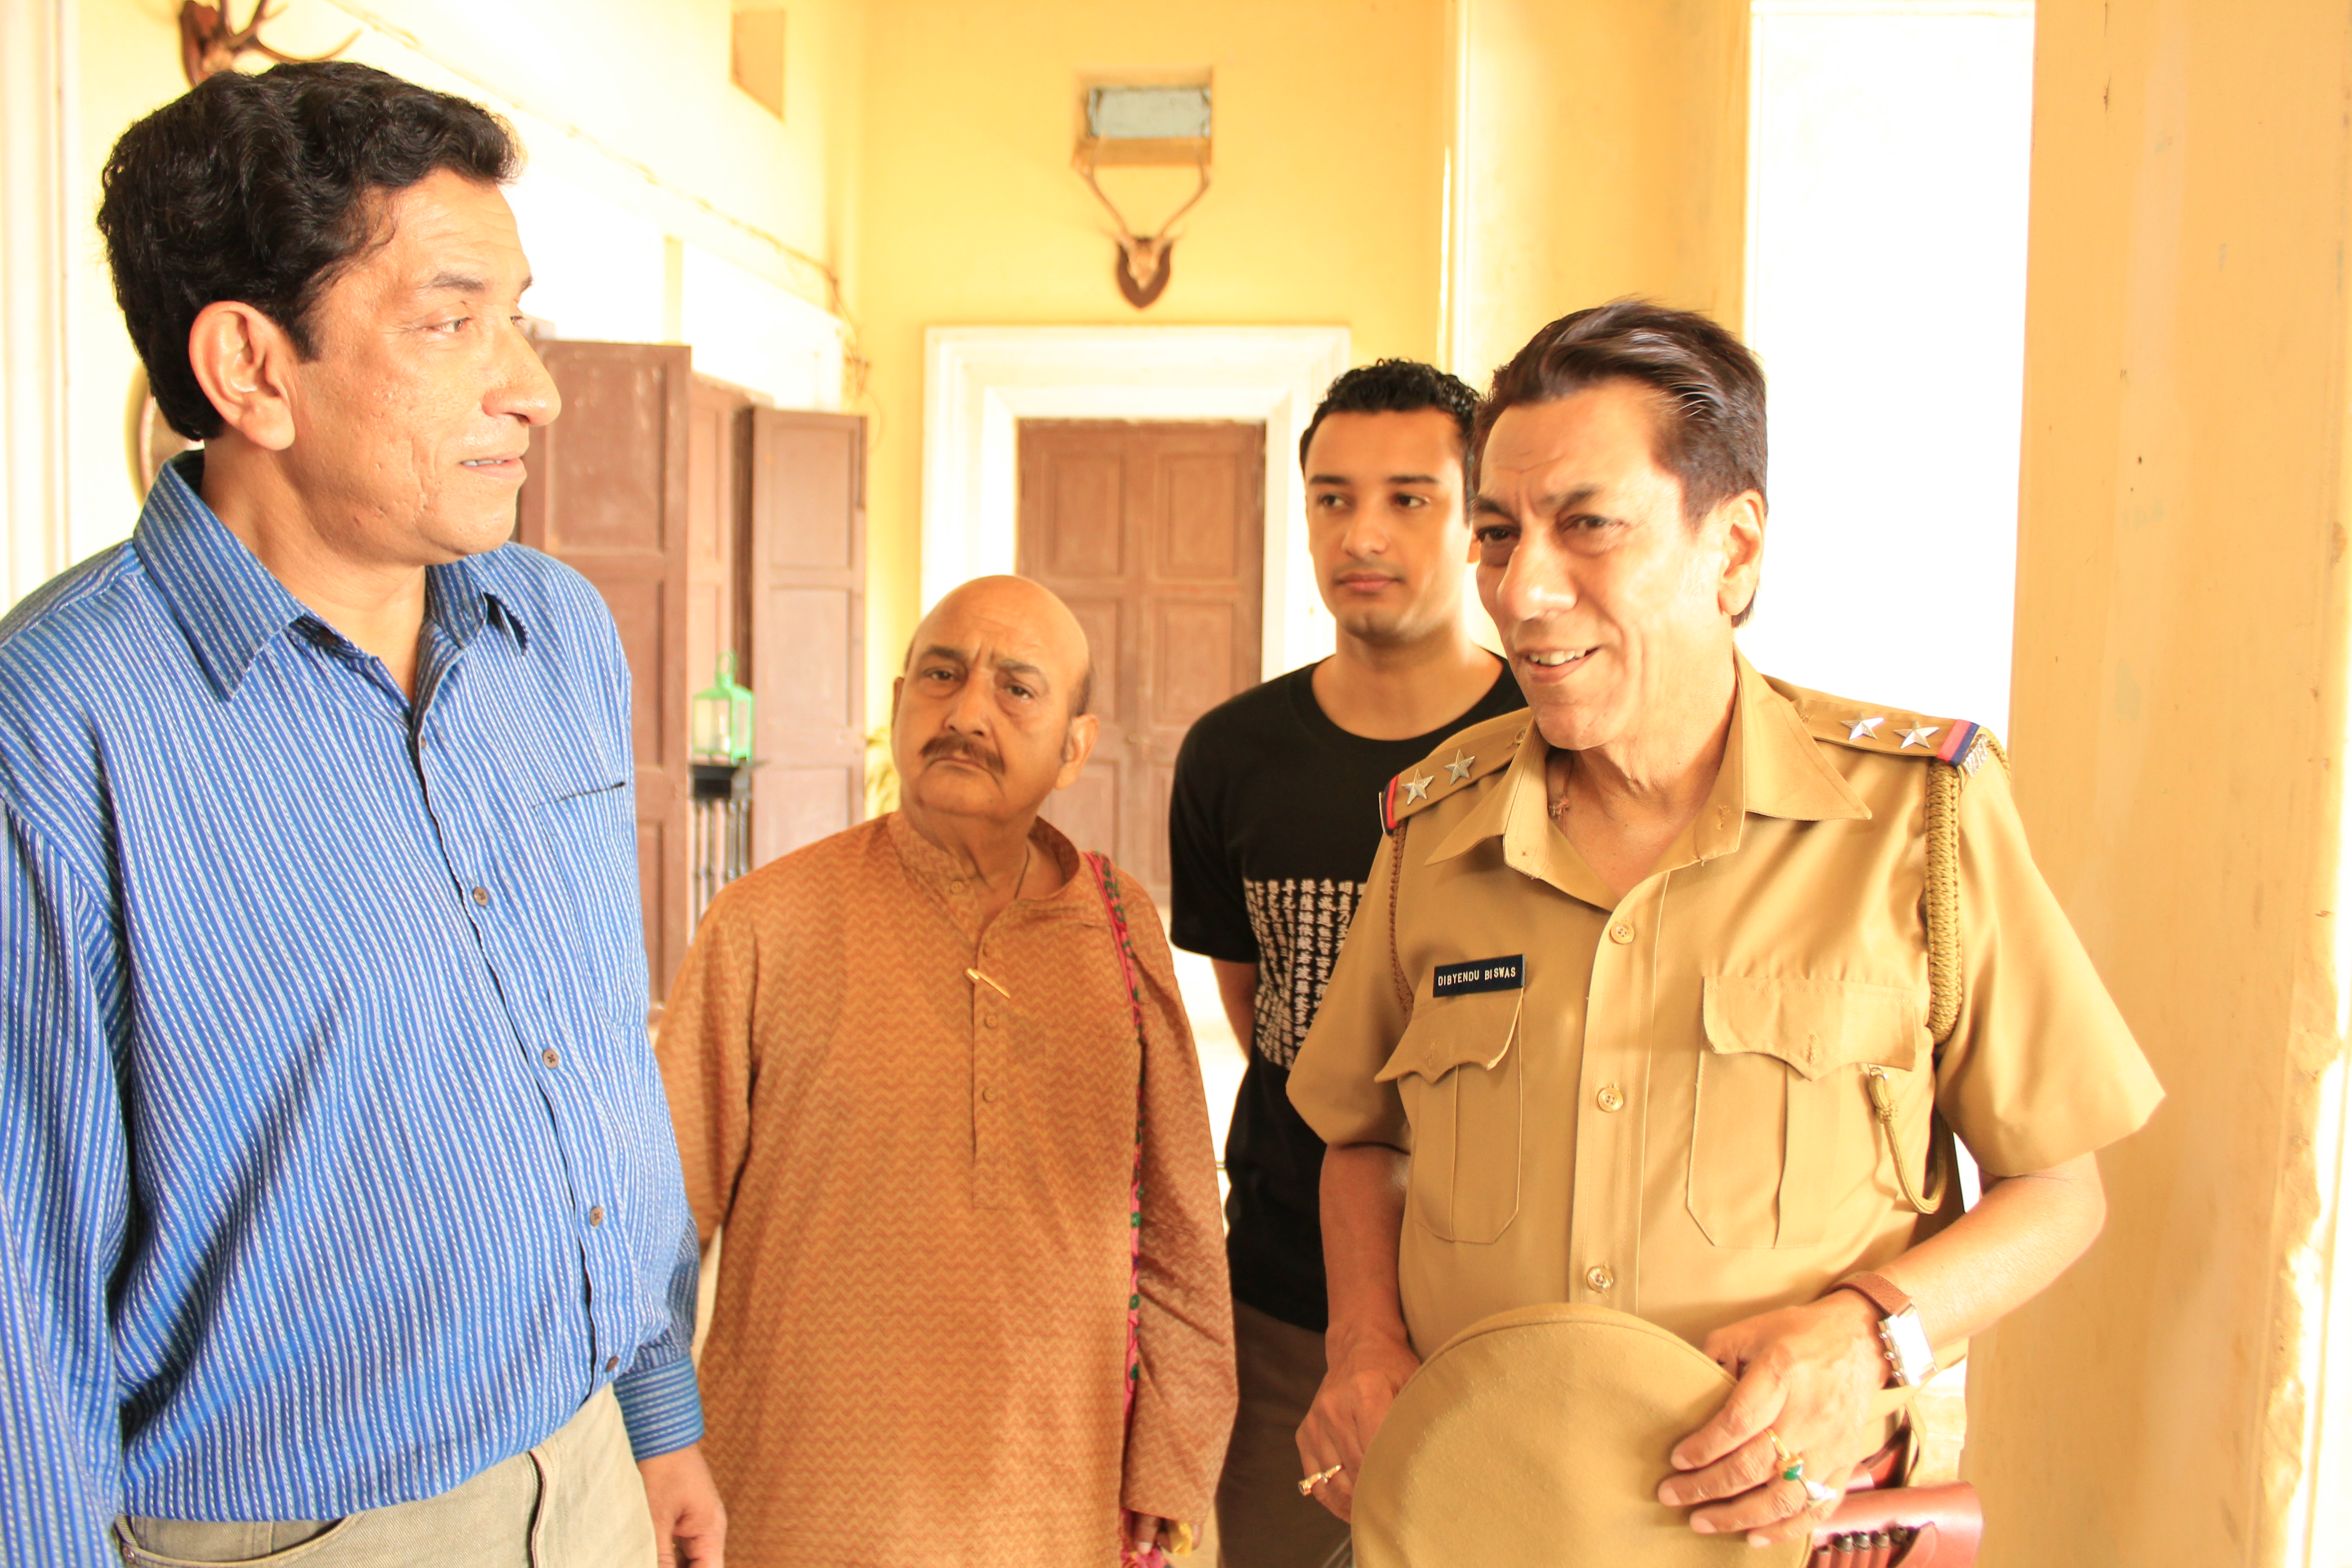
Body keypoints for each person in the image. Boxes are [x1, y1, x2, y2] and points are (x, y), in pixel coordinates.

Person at [1286, 300, 2164, 1549]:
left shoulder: (1918, 826)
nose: (1523, 591)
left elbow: (2060, 1187)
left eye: (1587, 525)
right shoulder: (1434, 833)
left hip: (1784, 1529)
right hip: (1476, 1518)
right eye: (1496, 532)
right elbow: (1360, 1139)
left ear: (1735, 547)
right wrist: (1362, 1340)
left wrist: (1874, 1332)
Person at [0, 62, 723, 1568]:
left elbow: (594, 1041)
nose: (534, 383)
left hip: (589, 1462)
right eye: (454, 322)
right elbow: (22, 1293)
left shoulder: (557, 632)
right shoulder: (56, 728)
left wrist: (654, 1410)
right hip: (302, 1533)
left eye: (516, 316)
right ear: (252, 368)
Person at [656, 575, 1236, 1567]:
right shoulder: (765, 925)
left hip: (1059, 1511)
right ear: (895, 706)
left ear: (1075, 747)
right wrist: (659, 1443)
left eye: (1017, 689)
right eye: (941, 674)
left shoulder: (1117, 929)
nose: (967, 712)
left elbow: (1185, 1235)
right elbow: (655, 1223)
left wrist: (1172, 1468)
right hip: (793, 1511)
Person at [1166, 359, 1523, 1567]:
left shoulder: (1549, 737)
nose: (1362, 533)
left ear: (1480, 518)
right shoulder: (1233, 756)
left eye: (1410, 498)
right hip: (1284, 1292)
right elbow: (1262, 1007)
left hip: (1506, 1296)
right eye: (1332, 498)